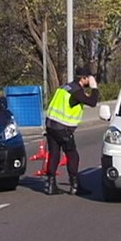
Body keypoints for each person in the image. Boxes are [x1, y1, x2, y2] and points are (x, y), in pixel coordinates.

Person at [44, 67, 99, 195]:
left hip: (51, 125)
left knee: (54, 154)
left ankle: (50, 185)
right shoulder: (76, 91)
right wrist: (94, 88)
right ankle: (75, 186)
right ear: (83, 78)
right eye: (89, 77)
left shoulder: (65, 87)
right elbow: (92, 102)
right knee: (72, 155)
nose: (91, 79)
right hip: (63, 128)